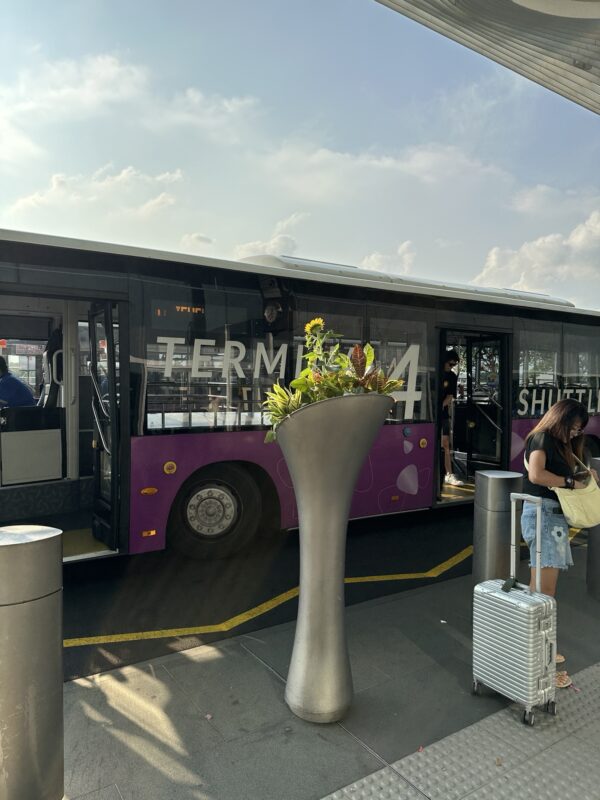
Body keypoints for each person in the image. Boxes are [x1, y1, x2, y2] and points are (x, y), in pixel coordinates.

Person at [522, 398, 599, 689]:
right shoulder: (541, 437)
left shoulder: (559, 443)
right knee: (545, 592)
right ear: (562, 419)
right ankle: (541, 661)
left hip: (550, 518)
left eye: (580, 430)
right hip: (543, 516)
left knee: (538, 589)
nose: (576, 434)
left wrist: (582, 476)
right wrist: (570, 483)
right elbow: (536, 475)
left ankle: (536, 652)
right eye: (575, 427)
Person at [440, 349, 463, 486]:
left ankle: (448, 474)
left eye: (454, 365)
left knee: (445, 443)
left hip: (442, 412)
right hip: (429, 413)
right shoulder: (436, 373)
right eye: (450, 364)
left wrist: (441, 406)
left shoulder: (452, 377)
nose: (451, 367)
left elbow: (450, 396)